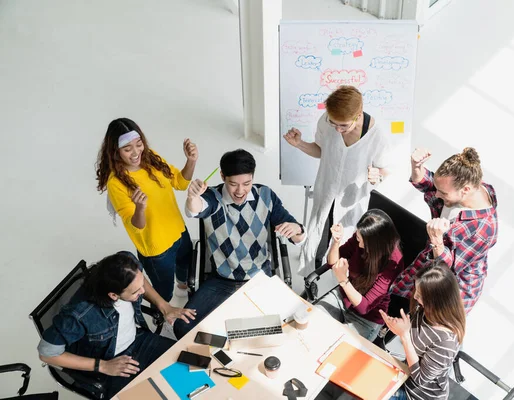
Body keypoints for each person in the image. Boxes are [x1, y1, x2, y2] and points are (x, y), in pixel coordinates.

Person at [174, 149, 306, 339]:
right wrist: (192, 198)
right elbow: (195, 210)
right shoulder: (212, 197)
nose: (240, 191)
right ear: (222, 176)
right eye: (233, 184)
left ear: (253, 177)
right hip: (221, 280)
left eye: (246, 183)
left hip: (259, 278)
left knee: (286, 327)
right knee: (183, 328)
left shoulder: (265, 195)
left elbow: (298, 236)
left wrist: (297, 230)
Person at [37, 252, 196, 399]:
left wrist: (164, 306)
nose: (142, 291)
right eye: (135, 292)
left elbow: (139, 281)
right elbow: (47, 353)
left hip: (139, 340)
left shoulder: (127, 263)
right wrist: (103, 366)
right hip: (111, 361)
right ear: (114, 295)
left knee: (194, 372)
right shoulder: (79, 314)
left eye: (141, 284)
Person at [283, 85, 392, 274]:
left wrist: (377, 175)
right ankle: (312, 284)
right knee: (317, 246)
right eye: (334, 123)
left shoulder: (377, 136)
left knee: (344, 252)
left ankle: (340, 289)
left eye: (343, 125)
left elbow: (384, 170)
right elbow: (321, 150)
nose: (337, 129)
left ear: (358, 115)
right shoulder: (326, 121)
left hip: (351, 203)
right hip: (325, 194)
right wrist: (299, 144)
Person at [95, 117, 198, 302]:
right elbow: (137, 226)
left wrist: (191, 161)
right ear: (115, 152)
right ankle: (167, 314)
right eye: (127, 149)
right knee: (164, 293)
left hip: (179, 231)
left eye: (139, 144)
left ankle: (182, 291)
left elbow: (180, 183)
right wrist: (140, 208)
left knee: (185, 266)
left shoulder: (151, 159)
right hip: (157, 250)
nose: (136, 153)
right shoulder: (116, 183)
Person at [390, 147, 498, 314]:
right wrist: (416, 167)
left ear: (466, 190)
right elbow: (432, 186)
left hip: (448, 293)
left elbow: (449, 269)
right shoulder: (470, 186)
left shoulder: (484, 229)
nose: (437, 195)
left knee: (416, 329)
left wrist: (437, 241)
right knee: (395, 304)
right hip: (430, 263)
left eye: (443, 192)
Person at [381, 262, 466, 400]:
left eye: (420, 295)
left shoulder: (446, 342)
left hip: (418, 396)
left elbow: (420, 379)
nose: (415, 297)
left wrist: (404, 336)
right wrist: (400, 328)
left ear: (436, 300)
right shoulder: (424, 311)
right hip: (404, 378)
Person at [315, 209, 403, 341]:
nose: (359, 244)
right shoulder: (360, 237)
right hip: (342, 298)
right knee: (311, 320)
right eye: (357, 238)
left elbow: (364, 307)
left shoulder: (393, 261)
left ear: (376, 244)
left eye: (363, 241)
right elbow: (332, 263)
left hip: (366, 319)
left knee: (334, 345)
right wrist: (336, 241)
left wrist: (343, 280)